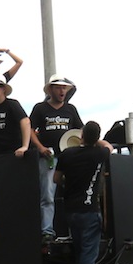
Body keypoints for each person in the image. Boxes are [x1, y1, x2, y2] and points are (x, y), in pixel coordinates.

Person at [54, 121, 113, 264]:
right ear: (96, 138)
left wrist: (69, 184)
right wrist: (97, 141)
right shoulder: (99, 153)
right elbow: (109, 147)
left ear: (81, 136)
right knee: (89, 251)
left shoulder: (67, 153)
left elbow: (56, 179)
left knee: (80, 250)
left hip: (70, 210)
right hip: (89, 210)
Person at [29, 74, 83, 242]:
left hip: (69, 157)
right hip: (49, 157)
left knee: (74, 194)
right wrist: (40, 147)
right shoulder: (40, 108)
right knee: (47, 194)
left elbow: (80, 130)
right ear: (51, 90)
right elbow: (29, 129)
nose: (62, 91)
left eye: (64, 88)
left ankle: (75, 230)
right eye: (58, 87)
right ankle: (47, 231)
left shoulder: (71, 109)